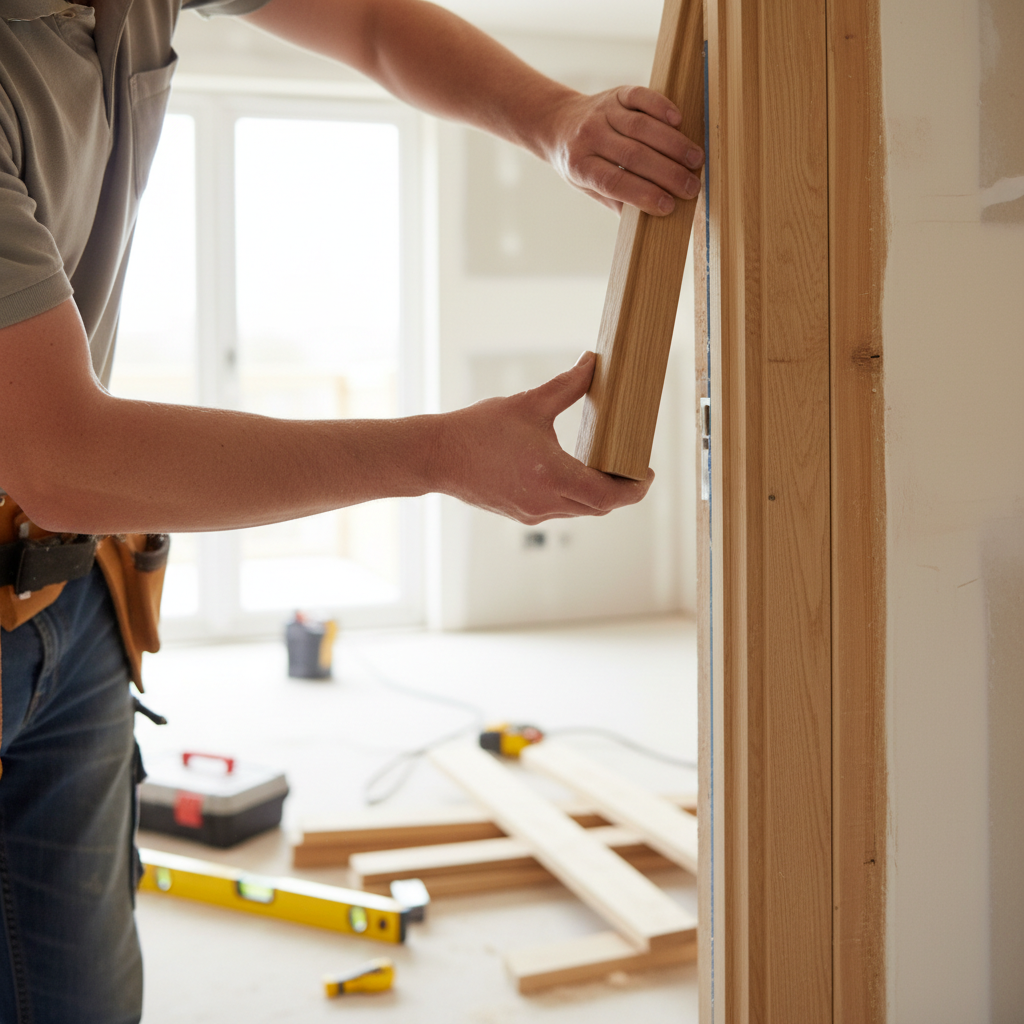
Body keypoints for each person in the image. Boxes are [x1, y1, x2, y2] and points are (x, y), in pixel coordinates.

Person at [0, 0, 703, 1018]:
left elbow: (371, 18)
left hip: (74, 604)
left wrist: (557, 121)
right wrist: (438, 455)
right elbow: (64, 454)